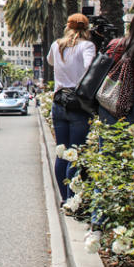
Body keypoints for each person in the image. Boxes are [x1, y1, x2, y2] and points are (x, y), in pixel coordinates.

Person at [47, 13, 96, 202]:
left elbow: (51, 61)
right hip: (78, 103)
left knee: (61, 151)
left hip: (58, 101)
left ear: (68, 27)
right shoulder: (87, 46)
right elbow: (90, 68)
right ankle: (72, 200)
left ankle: (64, 198)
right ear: (86, 28)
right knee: (75, 153)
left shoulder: (56, 45)